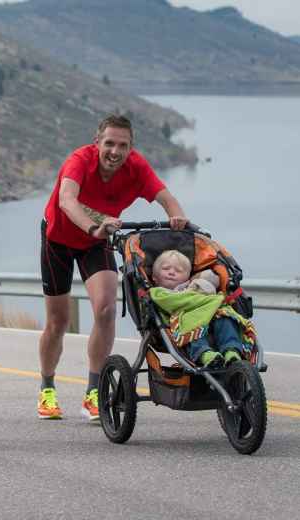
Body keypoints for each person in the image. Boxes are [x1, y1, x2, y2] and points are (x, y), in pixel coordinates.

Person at [37, 114, 188, 422]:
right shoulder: (80, 159)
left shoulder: (137, 167)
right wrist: (94, 227)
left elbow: (166, 198)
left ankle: (94, 391)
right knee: (58, 321)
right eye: (109, 143)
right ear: (97, 142)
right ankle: (47, 387)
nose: (115, 152)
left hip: (97, 240)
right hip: (60, 238)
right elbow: (67, 200)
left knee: (106, 310)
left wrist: (178, 219)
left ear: (131, 148)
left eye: (123, 145)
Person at [150, 250, 250, 367]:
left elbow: (208, 287)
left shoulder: (192, 286)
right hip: (184, 323)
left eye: (178, 270)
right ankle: (205, 355)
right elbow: (176, 303)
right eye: (166, 269)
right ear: (154, 277)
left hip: (209, 319)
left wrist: (200, 287)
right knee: (191, 326)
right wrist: (211, 300)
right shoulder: (158, 292)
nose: (171, 272)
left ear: (187, 277)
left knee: (225, 318)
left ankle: (232, 351)